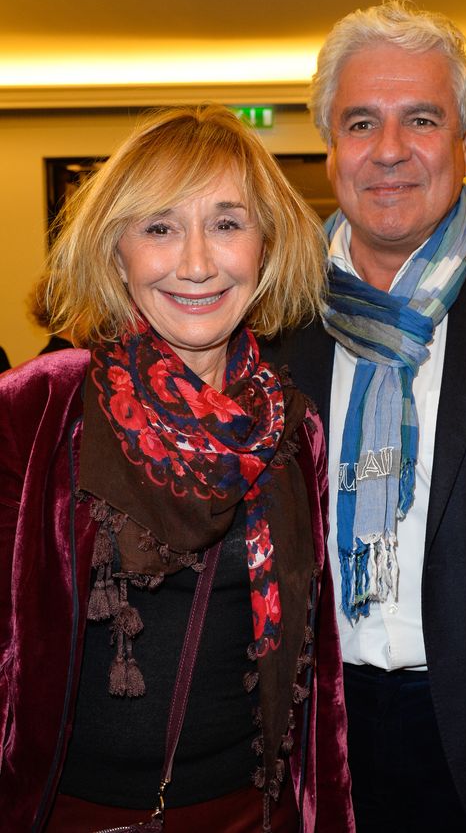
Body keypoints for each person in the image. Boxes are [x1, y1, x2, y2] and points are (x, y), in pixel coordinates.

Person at [263, 0, 466, 833]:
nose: (391, 150)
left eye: (423, 119)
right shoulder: (277, 321)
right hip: (314, 734)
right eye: (361, 121)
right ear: (330, 147)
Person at [0, 104, 354, 833]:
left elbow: (318, 676)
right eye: (160, 227)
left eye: (227, 223)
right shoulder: (35, 409)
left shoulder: (294, 430)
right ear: (116, 251)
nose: (196, 262)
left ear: (266, 245)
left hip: (250, 814)